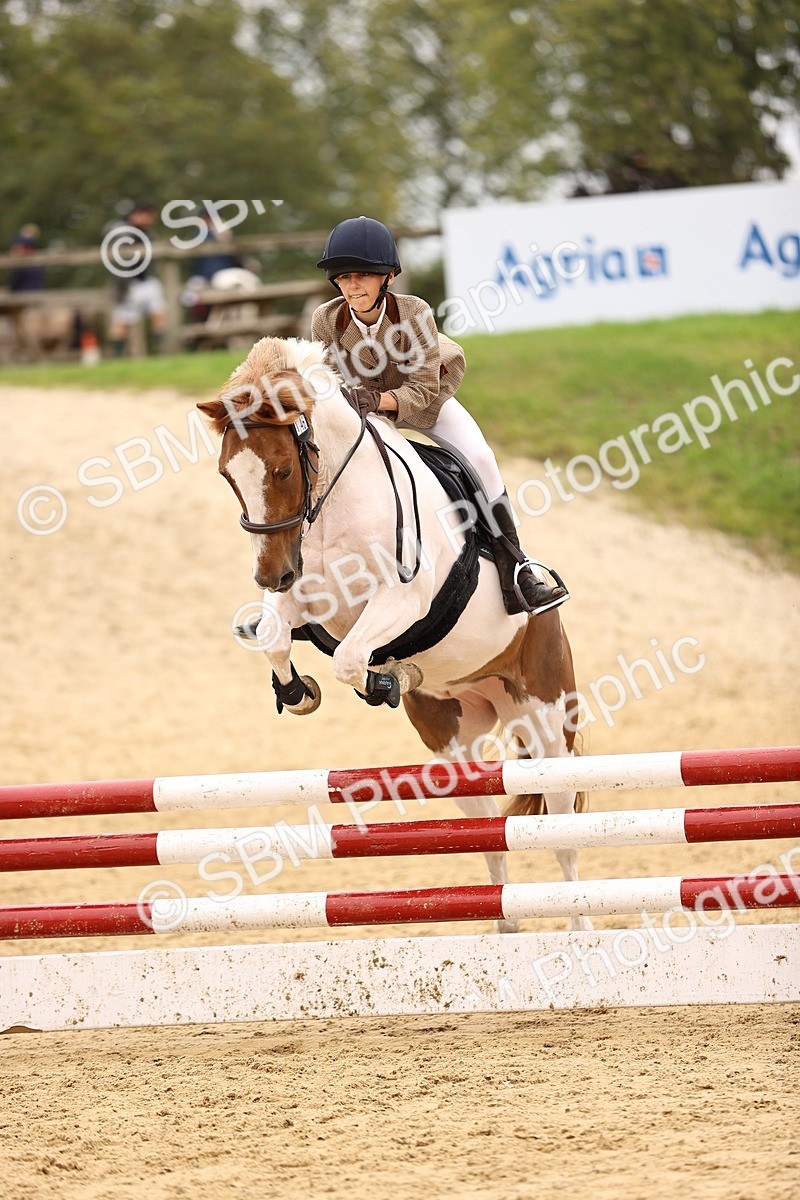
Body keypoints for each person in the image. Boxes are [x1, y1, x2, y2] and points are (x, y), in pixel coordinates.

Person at [311, 216, 567, 616]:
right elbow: (326, 380)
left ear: (388, 277)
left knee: (480, 457)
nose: (351, 286)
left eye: (362, 275)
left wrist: (376, 402)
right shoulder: (327, 319)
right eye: (342, 277)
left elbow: (422, 388)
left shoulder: (415, 312)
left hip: (423, 402)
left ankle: (518, 568)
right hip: (365, 411)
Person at [106, 201, 166, 356]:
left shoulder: (147, 233)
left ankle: (163, 353)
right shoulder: (120, 230)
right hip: (128, 283)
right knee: (123, 321)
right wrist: (122, 287)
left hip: (147, 280)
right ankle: (116, 356)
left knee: (159, 312)